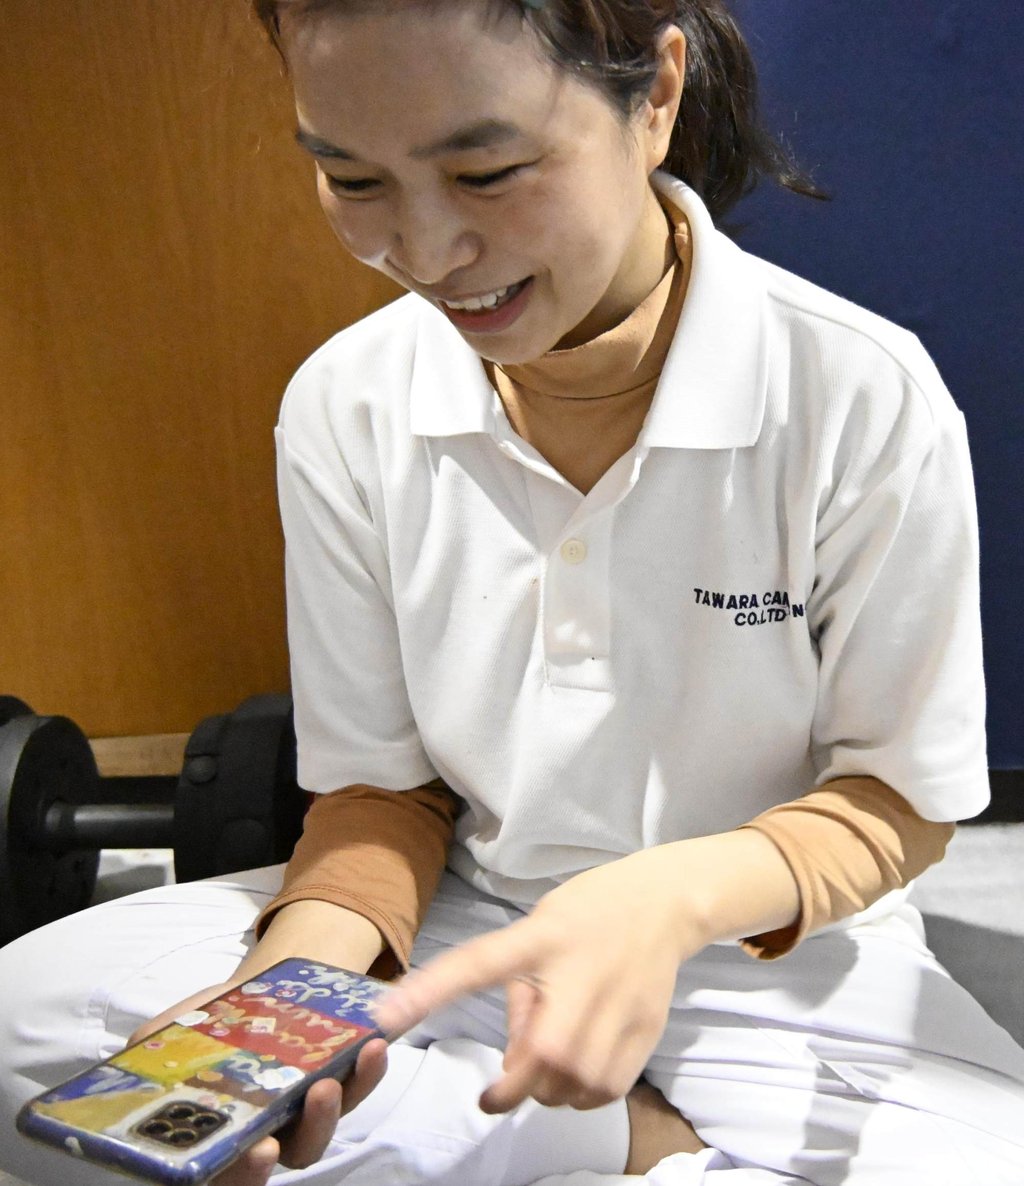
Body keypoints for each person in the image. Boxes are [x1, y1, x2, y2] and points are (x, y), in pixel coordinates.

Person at [2, 1, 1023, 1183]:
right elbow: (380, 793)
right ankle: (632, 1148)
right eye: (350, 176)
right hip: (467, 923)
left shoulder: (858, 394)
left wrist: (667, 896)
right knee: (31, 1023)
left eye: (486, 171)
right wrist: (295, 992)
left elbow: (897, 800)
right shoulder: (347, 404)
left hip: (764, 956)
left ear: (654, 99)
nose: (425, 252)